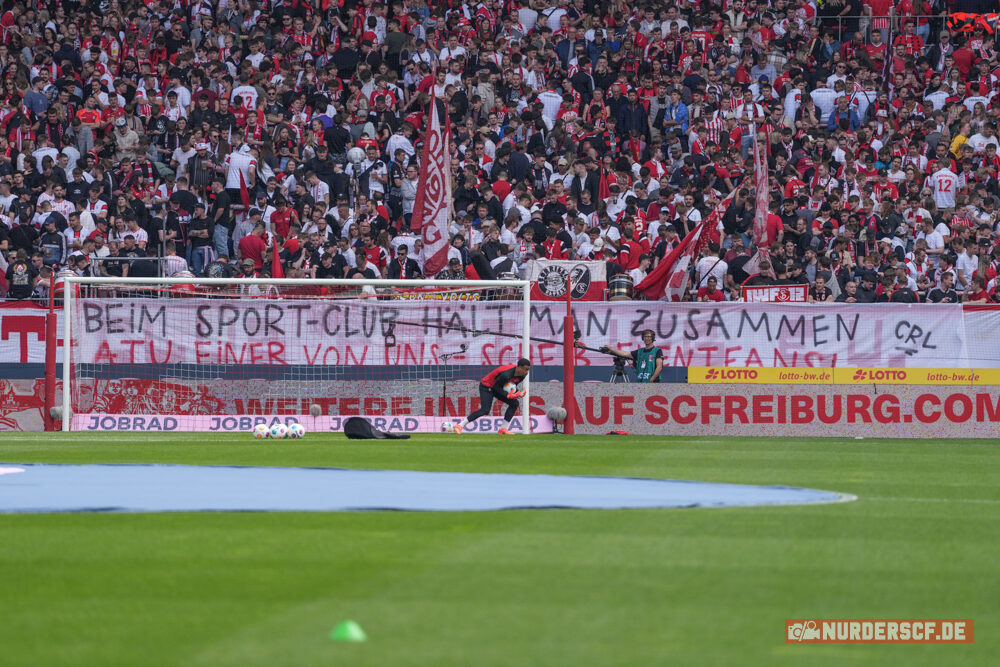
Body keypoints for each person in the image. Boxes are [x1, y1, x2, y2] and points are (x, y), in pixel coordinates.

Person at [453, 358, 531, 435]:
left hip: (498, 386)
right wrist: (508, 395)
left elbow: (511, 385)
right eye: (525, 369)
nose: (527, 372)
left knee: (514, 403)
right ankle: (460, 425)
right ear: (519, 368)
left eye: (528, 369)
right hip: (487, 386)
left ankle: (503, 429)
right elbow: (496, 387)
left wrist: (517, 393)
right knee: (485, 410)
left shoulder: (522, 374)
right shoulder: (506, 374)